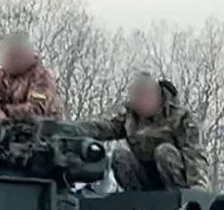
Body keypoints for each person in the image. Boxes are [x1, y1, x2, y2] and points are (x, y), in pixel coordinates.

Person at [74, 72, 209, 191]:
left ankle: (176, 196)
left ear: (155, 97)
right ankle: (137, 200)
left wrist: (198, 188)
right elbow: (105, 127)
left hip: (175, 175)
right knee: (120, 155)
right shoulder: (131, 117)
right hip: (145, 176)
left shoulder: (180, 117)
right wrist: (74, 129)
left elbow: (194, 153)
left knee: (164, 152)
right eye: (136, 98)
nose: (139, 103)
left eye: (143, 98)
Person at [0, 31, 64, 123]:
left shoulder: (42, 77)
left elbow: (37, 109)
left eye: (14, 57)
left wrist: (6, 111)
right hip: (0, 126)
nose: (10, 61)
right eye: (7, 57)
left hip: (40, 128)